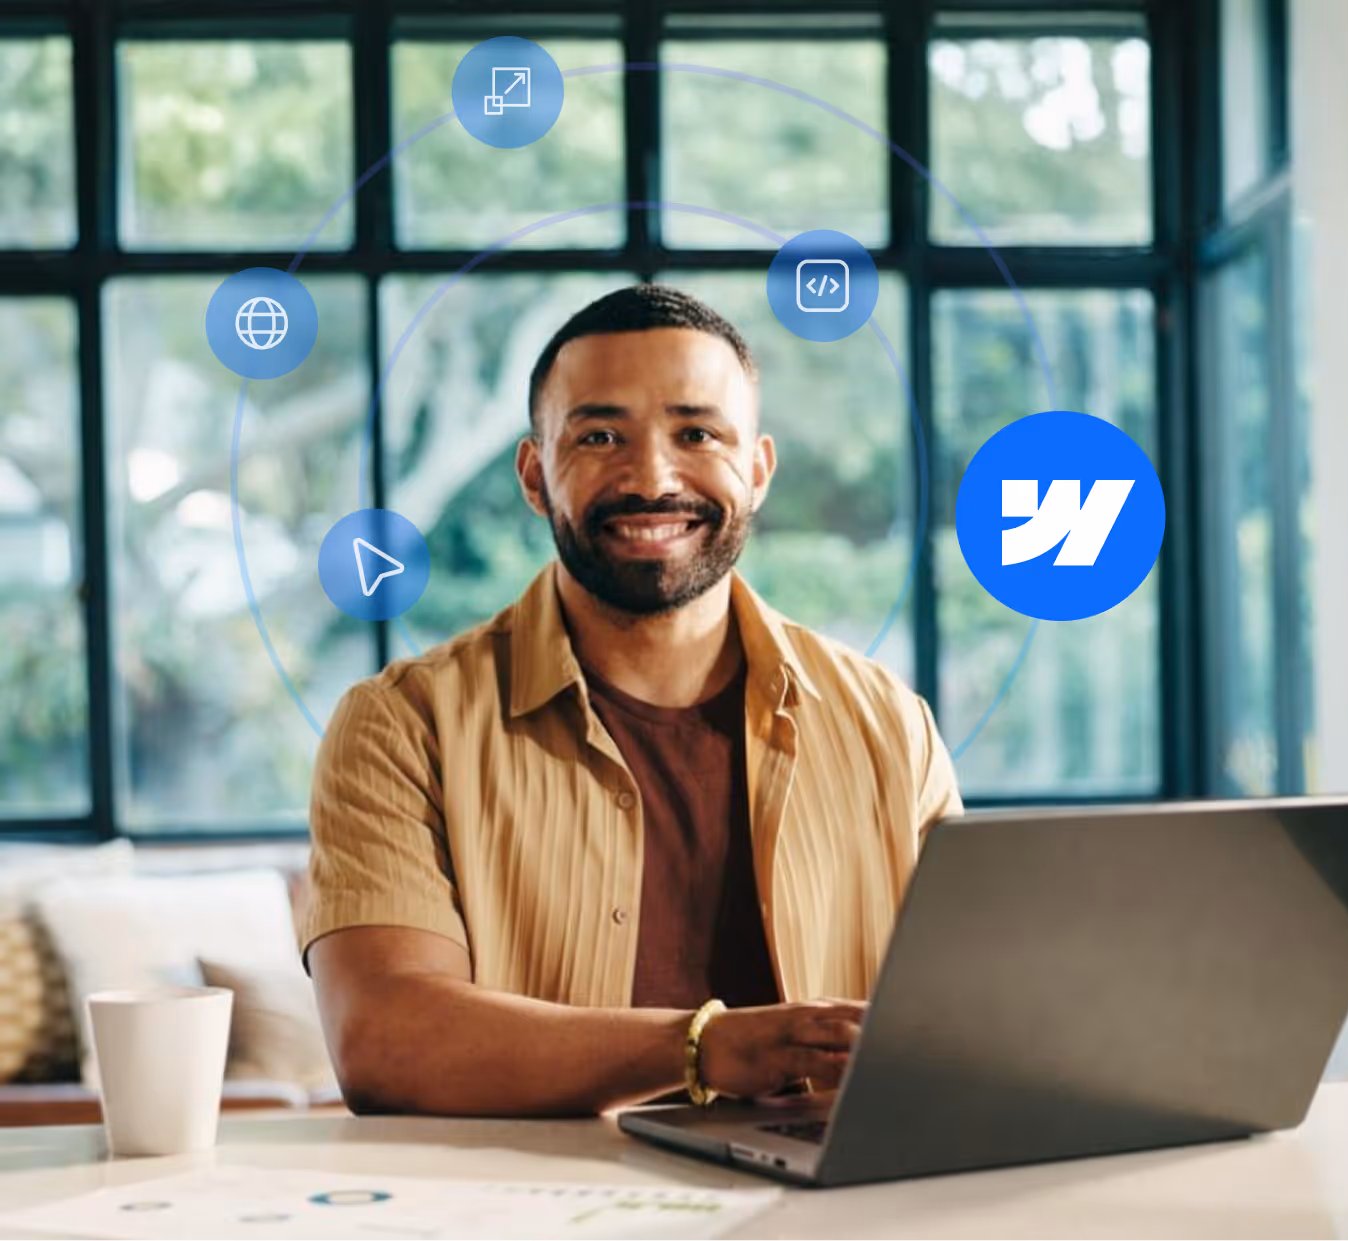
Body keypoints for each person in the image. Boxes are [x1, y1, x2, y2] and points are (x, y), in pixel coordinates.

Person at [302, 284, 961, 1117]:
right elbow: (384, 1037)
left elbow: (971, 1016)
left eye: (697, 433)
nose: (652, 477)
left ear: (756, 471)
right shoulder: (403, 726)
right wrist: (707, 1047)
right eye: (601, 436)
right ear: (537, 475)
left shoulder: (890, 726)